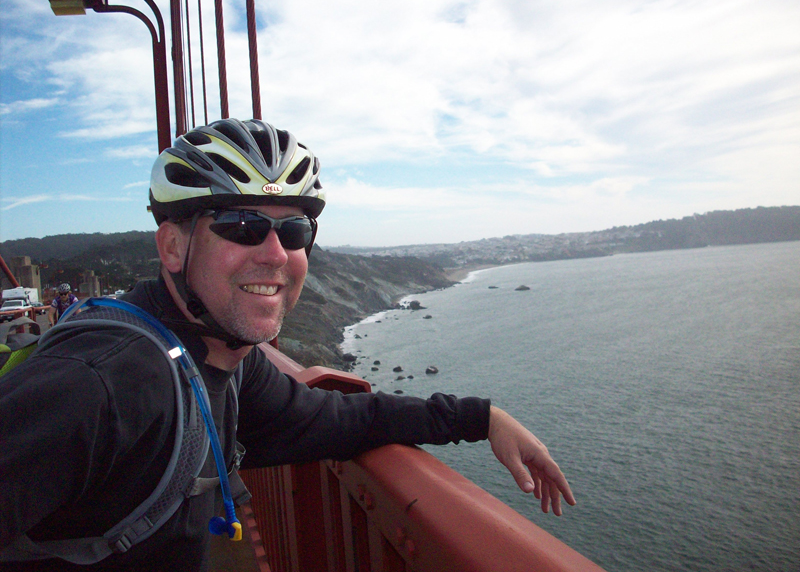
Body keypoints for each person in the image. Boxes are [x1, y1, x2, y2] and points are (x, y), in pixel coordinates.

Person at [0, 119, 576, 571]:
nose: (274, 254)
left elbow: (333, 418)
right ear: (172, 247)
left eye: (294, 231)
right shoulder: (103, 382)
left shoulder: (225, 361)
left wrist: (480, 418)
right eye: (241, 226)